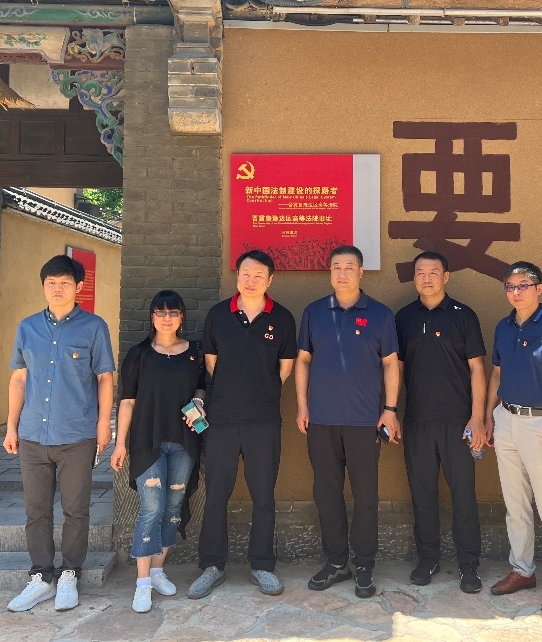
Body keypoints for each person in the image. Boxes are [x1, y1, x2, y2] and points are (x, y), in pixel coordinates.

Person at [4, 255, 115, 612]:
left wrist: (103, 425)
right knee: (36, 510)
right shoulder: (27, 327)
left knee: (75, 509)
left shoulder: (94, 327)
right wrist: (11, 425)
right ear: (43, 286)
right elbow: (19, 378)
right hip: (33, 433)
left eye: (65, 282)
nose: (57, 288)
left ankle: (70, 573)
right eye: (51, 282)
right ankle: (41, 576)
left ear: (78, 286)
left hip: (77, 434)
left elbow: (105, 378)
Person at [189, 250, 298, 599]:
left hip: (263, 420)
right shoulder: (218, 315)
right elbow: (211, 364)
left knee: (263, 495)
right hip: (221, 419)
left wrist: (260, 392)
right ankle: (212, 566)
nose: (250, 280)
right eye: (245, 274)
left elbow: (284, 368)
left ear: (270, 280)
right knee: (216, 494)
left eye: (258, 275)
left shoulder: (282, 318)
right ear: (237, 276)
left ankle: (262, 565)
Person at [295, 244, 400, 599]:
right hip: (321, 419)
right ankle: (337, 561)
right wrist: (302, 405)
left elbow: (390, 364)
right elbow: (303, 360)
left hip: (365, 420)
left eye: (349, 267)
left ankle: (364, 564)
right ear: (330, 272)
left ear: (361, 271)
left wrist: (390, 409)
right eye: (336, 267)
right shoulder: (314, 312)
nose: (342, 273)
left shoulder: (380, 314)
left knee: (366, 495)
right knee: (326, 493)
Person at [485, 260, 542, 616]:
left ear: (539, 289)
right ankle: (522, 570)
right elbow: (497, 374)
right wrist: (489, 417)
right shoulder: (503, 327)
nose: (516, 292)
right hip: (507, 419)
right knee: (516, 504)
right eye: (510, 286)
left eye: (523, 285)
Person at [394, 251, 486, 594]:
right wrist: (391, 410)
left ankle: (468, 564)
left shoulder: (464, 315)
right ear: (414, 277)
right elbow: (395, 369)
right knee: (422, 494)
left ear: (446, 276)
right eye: (420, 272)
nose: (427, 277)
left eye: (433, 271)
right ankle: (428, 559)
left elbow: (477, 368)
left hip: (459, 422)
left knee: (464, 495)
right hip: (417, 420)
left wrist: (477, 417)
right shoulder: (403, 317)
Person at [111, 291, 207, 613]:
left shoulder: (194, 352)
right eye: (160, 312)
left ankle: (157, 570)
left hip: (184, 442)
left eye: (173, 312)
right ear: (151, 317)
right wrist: (119, 443)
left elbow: (201, 385)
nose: (167, 318)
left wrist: (199, 401)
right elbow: (127, 401)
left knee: (173, 506)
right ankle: (142, 584)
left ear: (182, 317)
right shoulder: (138, 355)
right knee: (151, 508)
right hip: (147, 441)